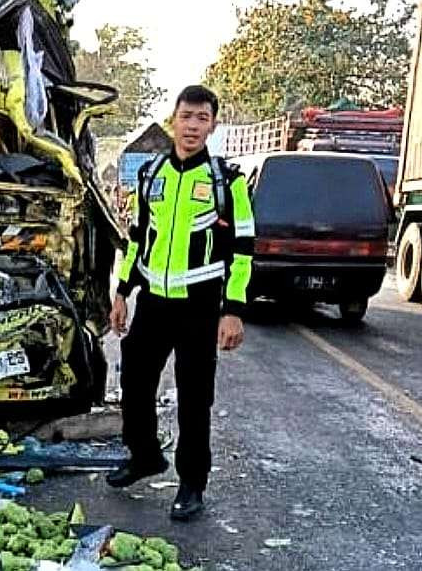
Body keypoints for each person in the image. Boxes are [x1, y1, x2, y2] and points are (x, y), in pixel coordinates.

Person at [107, 85, 254, 521]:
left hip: (200, 304)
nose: (192, 126)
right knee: (133, 378)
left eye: (202, 118)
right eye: (186, 116)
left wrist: (233, 310)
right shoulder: (152, 176)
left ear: (212, 124)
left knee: (194, 397)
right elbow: (137, 238)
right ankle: (145, 456)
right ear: (173, 118)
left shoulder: (227, 181)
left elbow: (243, 248)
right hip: (154, 300)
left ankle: (191, 484)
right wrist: (121, 291)